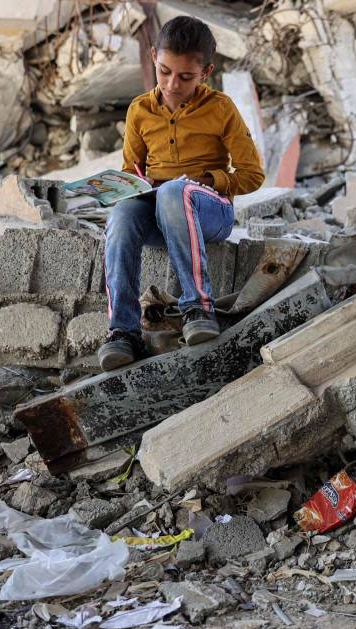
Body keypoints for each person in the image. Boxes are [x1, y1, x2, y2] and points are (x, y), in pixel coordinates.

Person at [98, 15, 264, 372]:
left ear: (206, 72)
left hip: (210, 215)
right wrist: (125, 187)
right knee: (122, 215)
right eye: (164, 72)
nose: (173, 84)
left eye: (186, 77)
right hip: (160, 214)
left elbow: (252, 175)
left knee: (176, 191)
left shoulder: (221, 108)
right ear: (153, 57)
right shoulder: (139, 110)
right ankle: (123, 331)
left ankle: (198, 308)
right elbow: (130, 172)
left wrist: (205, 181)